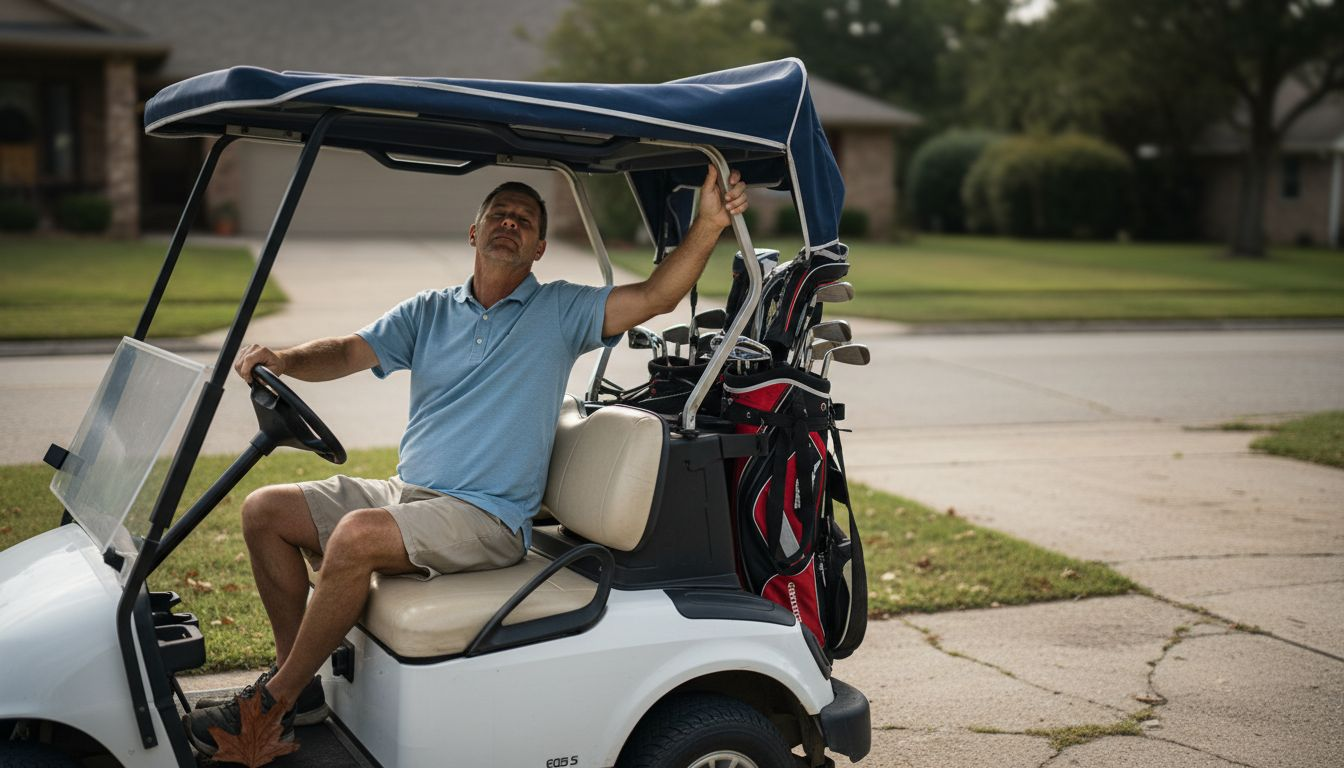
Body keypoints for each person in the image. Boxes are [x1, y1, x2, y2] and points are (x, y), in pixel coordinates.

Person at [185, 165, 748, 755]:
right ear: (473, 232)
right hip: (409, 495)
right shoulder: (429, 312)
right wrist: (287, 359)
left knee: (353, 538)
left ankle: (268, 709)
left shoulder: (560, 311)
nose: (510, 222)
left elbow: (656, 297)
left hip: (487, 517)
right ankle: (294, 690)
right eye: (499, 214)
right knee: (264, 511)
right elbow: (351, 350)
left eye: (524, 220)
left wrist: (708, 224)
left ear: (538, 249)